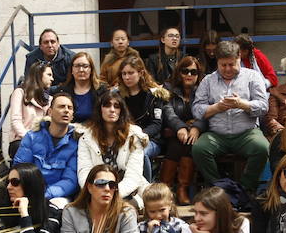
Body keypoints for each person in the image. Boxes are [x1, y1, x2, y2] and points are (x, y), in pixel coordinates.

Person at [191, 41, 270, 193]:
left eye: (231, 64)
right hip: (217, 134)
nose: (227, 69)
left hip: (247, 133)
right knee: (199, 149)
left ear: (239, 58)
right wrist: (216, 108)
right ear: (217, 62)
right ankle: (218, 188)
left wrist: (242, 104)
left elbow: (263, 106)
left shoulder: (252, 77)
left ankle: (245, 188)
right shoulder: (208, 80)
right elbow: (196, 109)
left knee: (262, 148)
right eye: (223, 65)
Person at [76, 89, 148, 206]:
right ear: (100, 109)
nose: (112, 110)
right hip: (96, 191)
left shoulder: (134, 136)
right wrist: (98, 192)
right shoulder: (86, 137)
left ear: (122, 111)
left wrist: (112, 194)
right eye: (107, 105)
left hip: (127, 191)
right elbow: (84, 172)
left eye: (116, 106)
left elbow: (134, 175)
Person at [13, 92, 81, 205]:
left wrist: (44, 195)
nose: (66, 110)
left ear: (73, 115)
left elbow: (70, 181)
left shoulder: (76, 143)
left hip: (59, 197)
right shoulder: (32, 136)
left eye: (70, 108)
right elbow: (20, 168)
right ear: (50, 112)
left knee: (55, 205)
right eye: (61, 106)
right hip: (30, 192)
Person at [116, 55, 168, 180]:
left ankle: (145, 190)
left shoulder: (154, 95)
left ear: (141, 73)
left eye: (130, 73)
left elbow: (156, 124)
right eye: (124, 74)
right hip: (123, 138)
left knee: (140, 154)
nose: (127, 77)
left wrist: (138, 135)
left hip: (150, 140)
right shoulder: (117, 96)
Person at [162, 55, 205, 205]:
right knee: (177, 142)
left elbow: (205, 113)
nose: (189, 75)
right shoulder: (168, 88)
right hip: (172, 133)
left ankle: (181, 189)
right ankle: (166, 189)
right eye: (185, 71)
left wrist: (196, 128)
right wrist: (181, 127)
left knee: (189, 142)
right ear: (179, 72)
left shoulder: (203, 89)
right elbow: (168, 111)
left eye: (193, 72)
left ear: (198, 75)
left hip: (193, 135)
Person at [5, 61, 52, 160]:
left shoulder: (50, 100)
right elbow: (16, 120)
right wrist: (30, 139)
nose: (52, 79)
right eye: (49, 75)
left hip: (42, 141)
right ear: (39, 75)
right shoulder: (20, 93)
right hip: (21, 140)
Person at [57, 52, 108, 124]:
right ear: (72, 70)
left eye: (85, 66)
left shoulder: (102, 90)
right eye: (77, 66)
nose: (81, 70)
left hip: (96, 131)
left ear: (91, 70)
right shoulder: (63, 91)